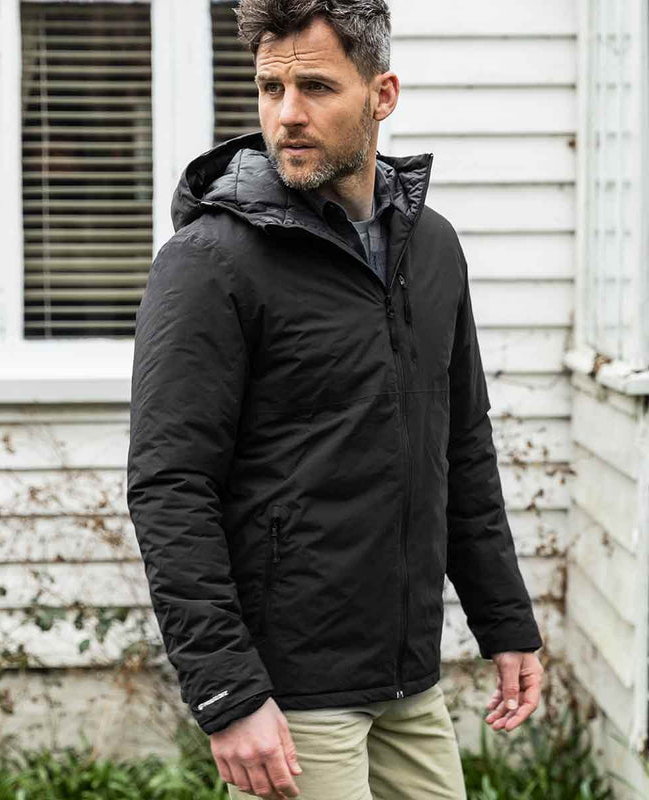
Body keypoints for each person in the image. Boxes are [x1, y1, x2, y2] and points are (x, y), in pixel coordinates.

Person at [126, 1, 545, 797]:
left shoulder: (432, 247)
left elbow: (462, 445)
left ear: (382, 95)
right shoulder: (211, 261)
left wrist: (505, 621)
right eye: (270, 88)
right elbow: (169, 486)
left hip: (408, 680)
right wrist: (228, 692)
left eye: (316, 87)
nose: (287, 114)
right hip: (292, 698)